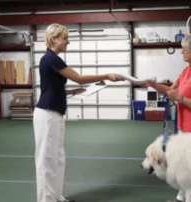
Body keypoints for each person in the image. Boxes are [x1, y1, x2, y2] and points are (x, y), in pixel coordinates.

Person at [33, 23, 123, 202]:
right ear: (54, 39)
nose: (68, 42)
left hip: (55, 113)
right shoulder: (51, 59)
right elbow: (79, 78)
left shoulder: (52, 60)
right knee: (47, 160)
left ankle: (56, 196)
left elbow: (51, 88)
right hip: (47, 115)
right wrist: (106, 76)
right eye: (65, 38)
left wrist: (71, 92)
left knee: (58, 158)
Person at [145, 32, 191, 202]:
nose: (181, 52)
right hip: (184, 126)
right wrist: (153, 85)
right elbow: (171, 91)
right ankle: (182, 198)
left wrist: (180, 98)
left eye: (184, 49)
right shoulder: (187, 70)